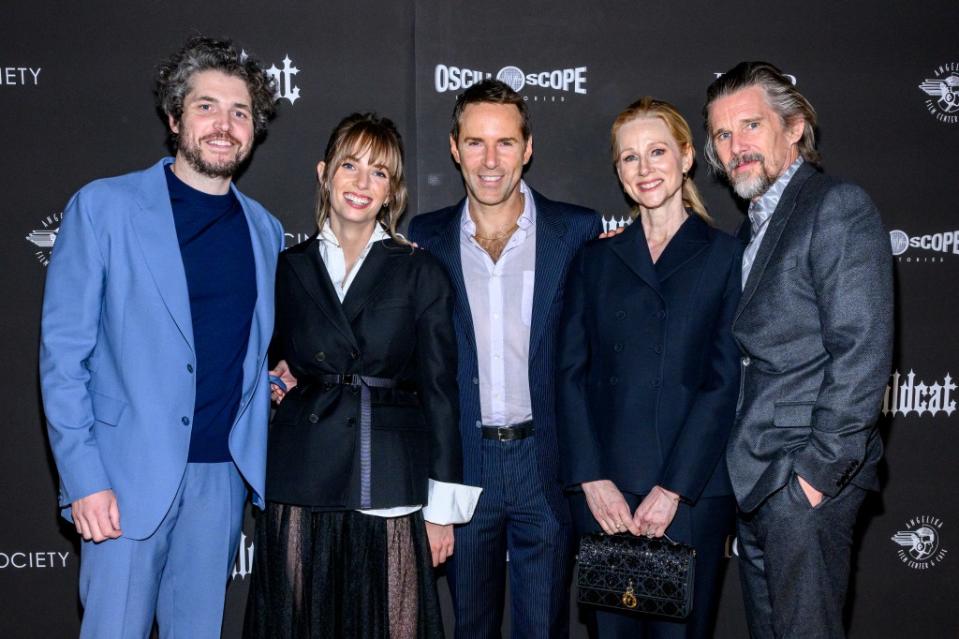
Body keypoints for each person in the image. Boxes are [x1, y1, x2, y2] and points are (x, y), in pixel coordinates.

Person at [39, 36, 283, 638]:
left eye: (240, 112)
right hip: (123, 481)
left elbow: (257, 347)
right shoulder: (105, 208)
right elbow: (63, 358)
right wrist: (85, 479)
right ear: (175, 118)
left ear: (254, 129)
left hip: (221, 481)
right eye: (207, 106)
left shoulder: (267, 231)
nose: (224, 124)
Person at [244, 112, 480, 639]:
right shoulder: (288, 267)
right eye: (350, 165)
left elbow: (442, 393)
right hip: (302, 474)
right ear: (325, 173)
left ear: (393, 191)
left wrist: (442, 509)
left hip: (389, 473)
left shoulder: (420, 270)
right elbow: (268, 359)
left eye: (379, 172)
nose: (361, 182)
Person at [704, 61, 893, 639]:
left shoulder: (836, 205)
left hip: (804, 480)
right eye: (722, 135)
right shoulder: (751, 228)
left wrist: (814, 476)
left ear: (795, 128)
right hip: (757, 479)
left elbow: (861, 348)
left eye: (751, 126)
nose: (737, 147)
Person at [407, 79, 603, 639]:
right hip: (464, 467)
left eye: (505, 143)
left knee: (545, 628)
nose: (490, 161)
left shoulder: (577, 231)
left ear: (528, 147)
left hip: (546, 463)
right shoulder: (426, 238)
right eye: (475, 143)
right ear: (453, 147)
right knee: (469, 627)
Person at [556, 97, 742, 639]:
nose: (645, 169)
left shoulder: (725, 257)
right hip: (607, 497)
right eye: (629, 158)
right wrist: (591, 479)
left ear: (686, 157)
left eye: (657, 152)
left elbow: (723, 380)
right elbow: (568, 374)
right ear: (617, 171)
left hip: (690, 494)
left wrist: (673, 489)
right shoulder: (594, 260)